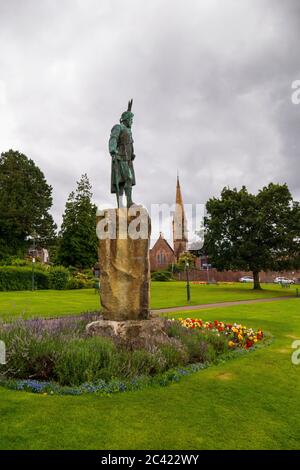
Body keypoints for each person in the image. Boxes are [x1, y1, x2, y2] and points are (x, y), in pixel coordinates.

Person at [108, 99, 136, 208]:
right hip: (120, 157)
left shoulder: (129, 131)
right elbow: (113, 138)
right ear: (126, 120)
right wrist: (112, 150)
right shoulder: (118, 127)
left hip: (128, 159)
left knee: (126, 181)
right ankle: (122, 204)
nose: (132, 122)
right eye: (131, 119)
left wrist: (132, 153)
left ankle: (128, 202)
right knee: (122, 181)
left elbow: (130, 144)